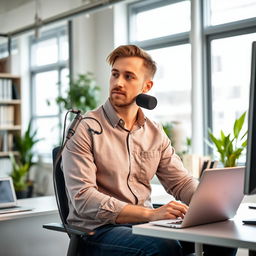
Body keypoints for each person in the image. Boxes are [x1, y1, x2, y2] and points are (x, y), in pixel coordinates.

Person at [62, 45, 236, 256]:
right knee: (161, 247)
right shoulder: (85, 127)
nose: (118, 82)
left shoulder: (154, 132)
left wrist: (211, 204)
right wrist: (149, 214)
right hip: (97, 230)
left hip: (144, 224)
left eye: (128, 77)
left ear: (147, 86)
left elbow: (180, 182)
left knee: (223, 239)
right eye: (115, 74)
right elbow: (83, 199)